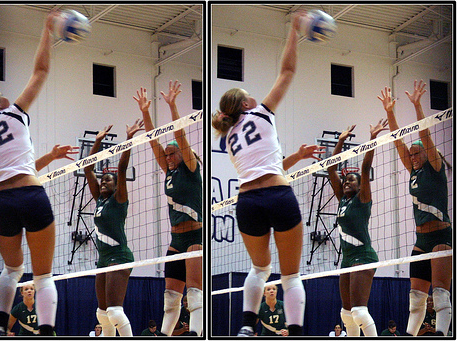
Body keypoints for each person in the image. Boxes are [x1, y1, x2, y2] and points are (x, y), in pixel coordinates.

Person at [0, 11, 76, 337]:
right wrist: (46, 29)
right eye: (0, 96)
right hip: (31, 196)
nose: (5, 96)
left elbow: (16, 169)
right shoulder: (13, 113)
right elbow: (41, 70)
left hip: (0, 203)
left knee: (12, 269)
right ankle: (48, 330)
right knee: (43, 277)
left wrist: (50, 157)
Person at [212, 12, 324, 337]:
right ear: (246, 102)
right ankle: (298, 331)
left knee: (260, 269)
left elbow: (264, 167)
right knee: (290, 276)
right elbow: (288, 70)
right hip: (279, 196)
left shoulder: (229, 136)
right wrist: (293, 29)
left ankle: (246, 327)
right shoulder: (260, 112)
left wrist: (297, 157)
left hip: (247, 201)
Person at [378, 81, 452, 336]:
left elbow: (424, 135)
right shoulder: (413, 172)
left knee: (440, 295)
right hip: (421, 239)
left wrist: (418, 106)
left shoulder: (435, 168)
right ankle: (409, 335)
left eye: (415, 153)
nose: (411, 156)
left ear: (427, 154)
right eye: (410, 155)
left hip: (441, 236)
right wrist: (390, 113)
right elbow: (398, 142)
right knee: (416, 297)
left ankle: (442, 334)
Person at [134, 81, 203, 336]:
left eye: (171, 153)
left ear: (183, 156)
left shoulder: (192, 170)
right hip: (176, 238)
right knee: (171, 297)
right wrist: (145, 112)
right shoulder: (168, 173)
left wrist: (172, 106)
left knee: (195, 295)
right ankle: (163, 335)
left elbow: (179, 136)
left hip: (196, 236)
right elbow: (154, 142)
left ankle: (195, 333)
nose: (167, 156)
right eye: (166, 154)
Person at [326, 120, 387, 337]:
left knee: (359, 312)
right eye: (345, 180)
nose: (346, 182)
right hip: (347, 259)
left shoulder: (363, 199)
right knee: (346, 314)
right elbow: (331, 168)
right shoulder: (342, 200)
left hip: (363, 256)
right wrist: (340, 141)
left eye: (351, 180)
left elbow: (365, 168)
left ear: (360, 185)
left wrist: (372, 139)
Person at [83, 119, 144, 337]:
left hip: (119, 256)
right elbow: (88, 168)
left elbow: (122, 168)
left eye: (108, 180)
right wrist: (97, 141)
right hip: (103, 259)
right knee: (102, 314)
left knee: (115, 312)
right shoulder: (99, 200)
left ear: (117, 185)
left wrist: (128, 139)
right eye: (102, 180)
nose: (103, 182)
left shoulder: (119, 199)